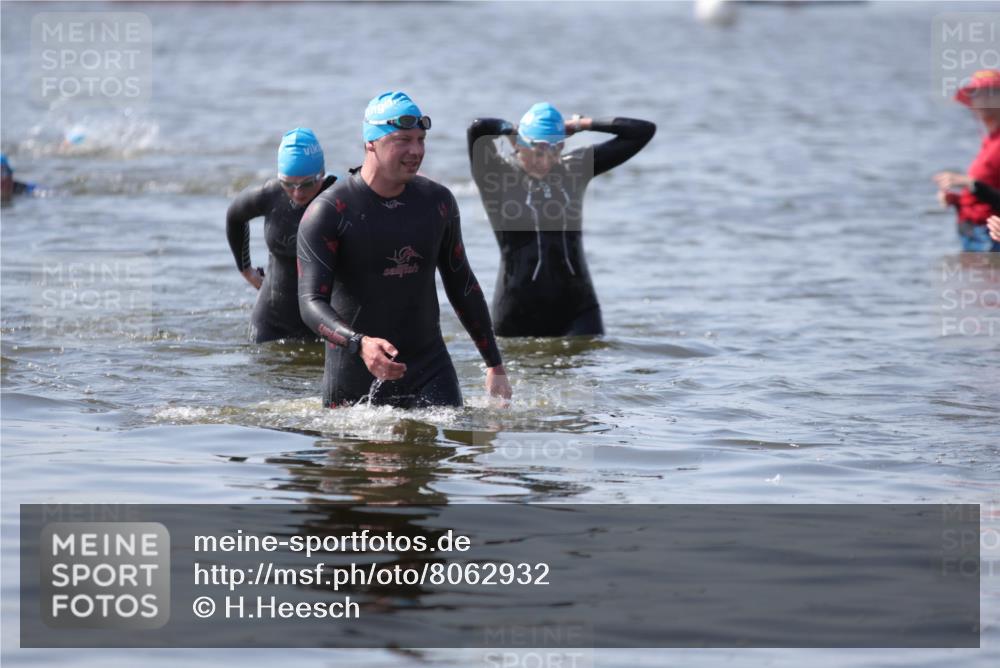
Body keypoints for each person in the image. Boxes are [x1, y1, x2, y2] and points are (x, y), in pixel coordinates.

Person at [297, 91, 512, 408]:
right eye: (402, 140)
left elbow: (462, 284)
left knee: (462, 450)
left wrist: (495, 365)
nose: (416, 151)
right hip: (356, 373)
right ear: (371, 142)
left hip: (429, 368)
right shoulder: (330, 211)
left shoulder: (436, 203)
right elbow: (310, 303)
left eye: (421, 139)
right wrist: (361, 344)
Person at [467, 103, 655, 336]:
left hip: (578, 310)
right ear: (521, 145)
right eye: (538, 151)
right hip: (518, 312)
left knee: (594, 369)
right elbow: (478, 129)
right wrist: (512, 131)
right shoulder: (496, 176)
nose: (546, 161)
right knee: (520, 373)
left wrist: (580, 124)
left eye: (555, 151)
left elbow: (642, 131)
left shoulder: (574, 169)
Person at [226, 128, 336, 342]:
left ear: (322, 173)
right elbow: (234, 216)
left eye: (307, 183)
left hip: (325, 323)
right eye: (288, 184)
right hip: (271, 321)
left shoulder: (341, 198)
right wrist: (246, 269)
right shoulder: (270, 194)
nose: (297, 193)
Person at [934, 69, 1000, 252]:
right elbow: (987, 194)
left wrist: (969, 182)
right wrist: (955, 199)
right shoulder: (991, 140)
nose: (982, 101)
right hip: (974, 233)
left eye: (991, 94)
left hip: (989, 237)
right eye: (977, 95)